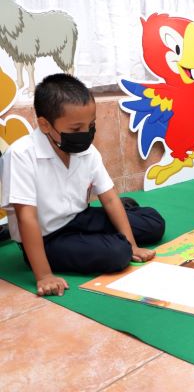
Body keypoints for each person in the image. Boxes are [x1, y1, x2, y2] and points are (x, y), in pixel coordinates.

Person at [0, 74, 166, 297]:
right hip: (48, 237)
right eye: (77, 128)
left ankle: (117, 226)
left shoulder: (87, 150)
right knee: (117, 254)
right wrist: (44, 275)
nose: (86, 134)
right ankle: (107, 239)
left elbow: (108, 197)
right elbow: (26, 218)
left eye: (91, 125)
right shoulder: (21, 155)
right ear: (45, 124)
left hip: (80, 217)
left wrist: (133, 244)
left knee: (154, 222)